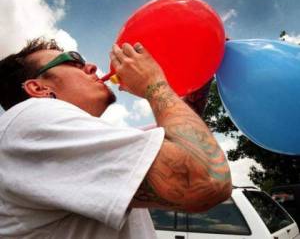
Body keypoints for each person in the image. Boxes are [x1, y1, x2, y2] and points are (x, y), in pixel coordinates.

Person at [0, 38, 232, 239]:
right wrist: (153, 84)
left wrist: (203, 59)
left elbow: (185, 135)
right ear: (38, 88)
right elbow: (205, 177)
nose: (90, 67)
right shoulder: (34, 117)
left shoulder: (69, 143)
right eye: (73, 62)